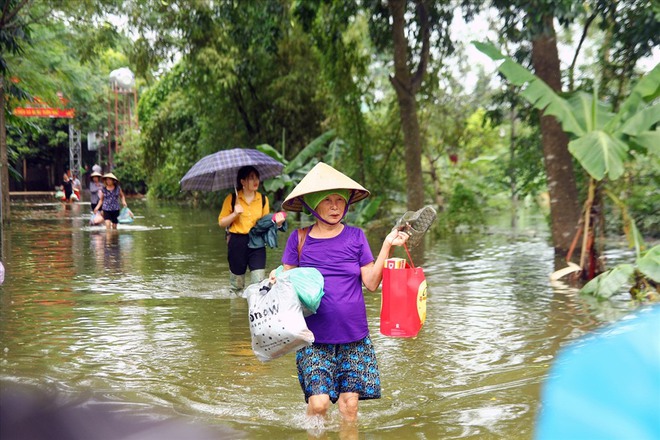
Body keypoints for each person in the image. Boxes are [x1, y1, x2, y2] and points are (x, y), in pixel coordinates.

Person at [277, 162, 409, 424]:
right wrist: (277, 274)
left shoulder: (356, 237)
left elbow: (371, 283)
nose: (335, 206)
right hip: (314, 339)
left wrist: (386, 246)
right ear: (314, 204)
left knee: (349, 408)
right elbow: (286, 280)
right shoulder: (299, 239)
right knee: (319, 404)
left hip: (354, 338)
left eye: (340, 200)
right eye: (327, 200)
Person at [218, 166, 284, 294]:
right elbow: (221, 222)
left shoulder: (263, 200)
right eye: (251, 178)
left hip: (257, 243)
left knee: (258, 283)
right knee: (237, 286)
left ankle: (254, 311)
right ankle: (236, 313)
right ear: (242, 182)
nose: (256, 181)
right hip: (237, 242)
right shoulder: (231, 199)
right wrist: (234, 214)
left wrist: (278, 223)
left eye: (257, 177)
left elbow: (266, 223)